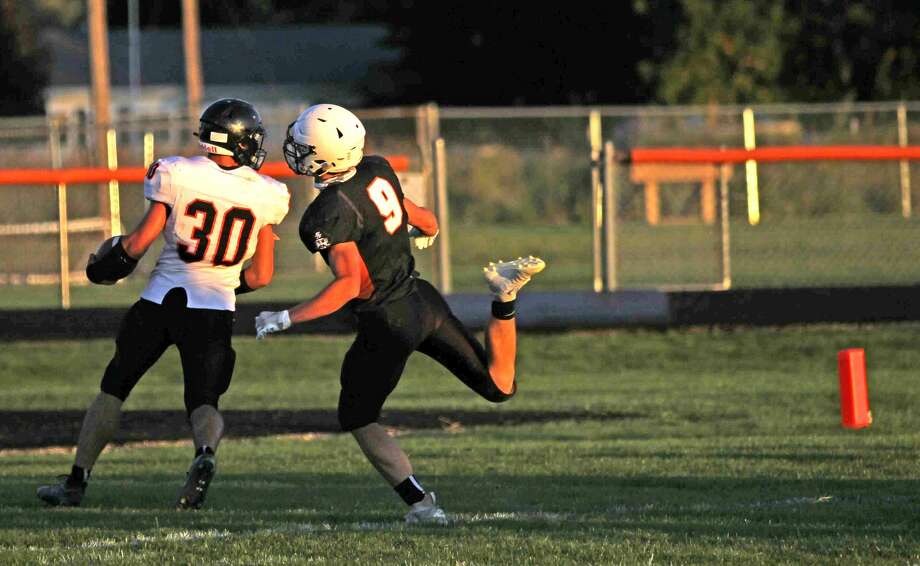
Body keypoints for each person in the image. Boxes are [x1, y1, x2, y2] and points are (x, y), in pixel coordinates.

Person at [255, 103, 545, 525]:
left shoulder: (325, 215)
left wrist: (287, 317)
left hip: (386, 321)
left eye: (302, 144)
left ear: (325, 157)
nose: (295, 149)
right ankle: (504, 296)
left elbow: (349, 283)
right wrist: (418, 233)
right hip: (422, 300)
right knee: (499, 386)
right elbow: (426, 220)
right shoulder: (377, 168)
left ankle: (422, 505)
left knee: (357, 416)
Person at [37, 98, 291, 510]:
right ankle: (205, 454)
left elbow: (138, 244)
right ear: (242, 142)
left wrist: (104, 264)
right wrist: (224, 282)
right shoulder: (269, 195)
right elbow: (261, 275)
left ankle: (76, 481)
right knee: (204, 401)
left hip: (160, 301)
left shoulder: (176, 172)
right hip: (214, 308)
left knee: (113, 388)